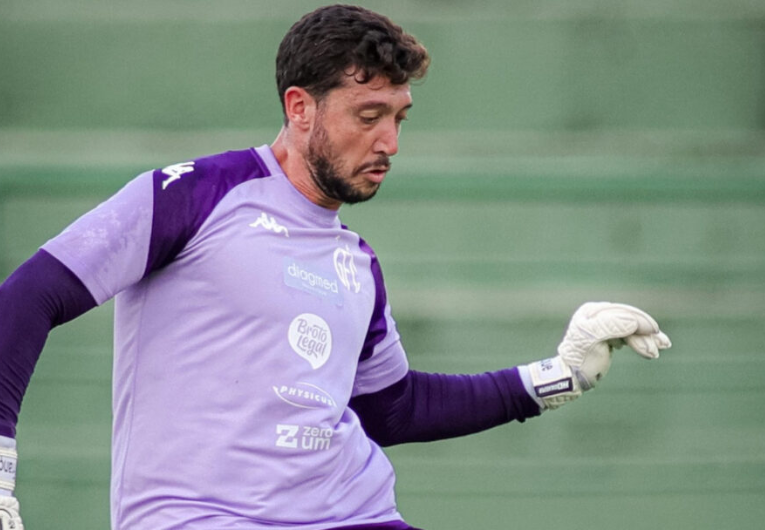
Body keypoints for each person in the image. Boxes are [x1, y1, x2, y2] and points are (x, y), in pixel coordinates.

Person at [0, 5, 671, 530]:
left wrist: (561, 376)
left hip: (356, 514)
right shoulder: (194, 195)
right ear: (300, 108)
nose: (390, 142)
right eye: (368, 115)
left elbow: (393, 409)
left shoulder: (357, 264)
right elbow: (28, 298)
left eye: (399, 118)